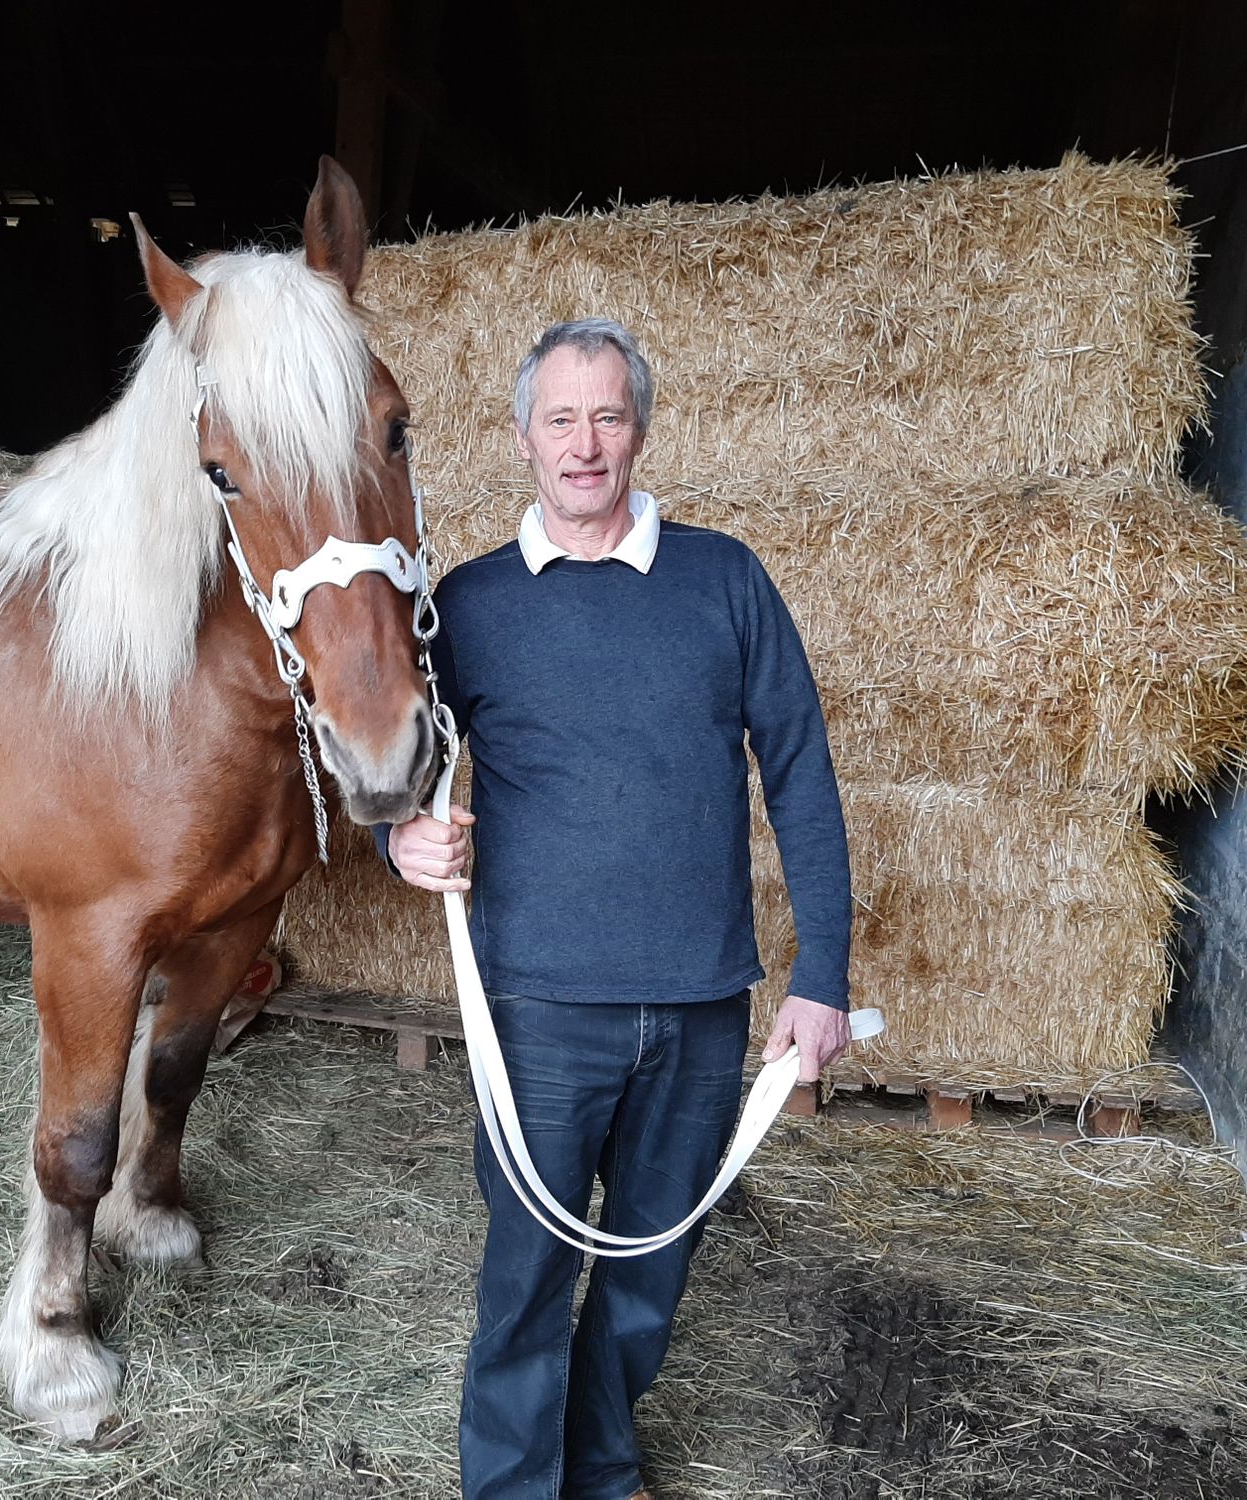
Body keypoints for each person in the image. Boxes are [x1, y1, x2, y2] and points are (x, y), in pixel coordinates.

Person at [378, 318, 854, 1500]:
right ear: (522, 437)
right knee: (527, 1275)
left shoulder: (724, 579)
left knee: (650, 1274)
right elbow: (395, 760)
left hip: (699, 1001)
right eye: (560, 419)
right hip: (537, 1007)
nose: (582, 445)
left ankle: (599, 1470)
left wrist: (821, 977)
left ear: (637, 429)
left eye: (605, 416)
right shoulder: (465, 605)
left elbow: (799, 771)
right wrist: (399, 838)